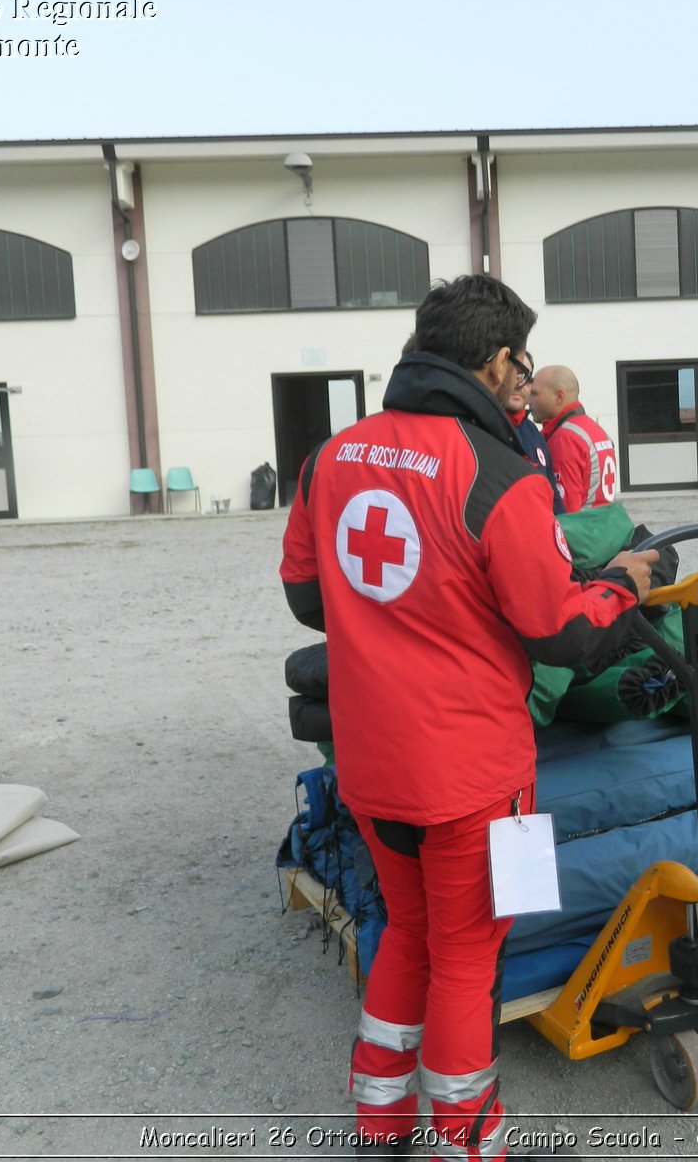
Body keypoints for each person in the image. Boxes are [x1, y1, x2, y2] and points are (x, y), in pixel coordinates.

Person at [279, 274, 657, 1161]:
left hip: (371, 766)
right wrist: (623, 588)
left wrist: (399, 614)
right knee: (465, 957)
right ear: (494, 363)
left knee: (406, 933)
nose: (525, 383)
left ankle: (381, 1122)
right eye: (520, 365)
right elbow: (560, 632)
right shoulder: (501, 476)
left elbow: (307, 597)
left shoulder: (329, 459)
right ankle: (469, 1142)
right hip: (468, 775)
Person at [528, 364, 619, 512]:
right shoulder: (595, 430)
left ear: (559, 397)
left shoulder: (565, 439)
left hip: (582, 531)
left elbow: (565, 512)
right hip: (601, 526)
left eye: (534, 394)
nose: (528, 401)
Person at [504, 354, 564, 513]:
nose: (518, 384)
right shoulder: (484, 427)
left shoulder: (533, 433)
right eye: (513, 375)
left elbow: (553, 496)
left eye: (525, 378)